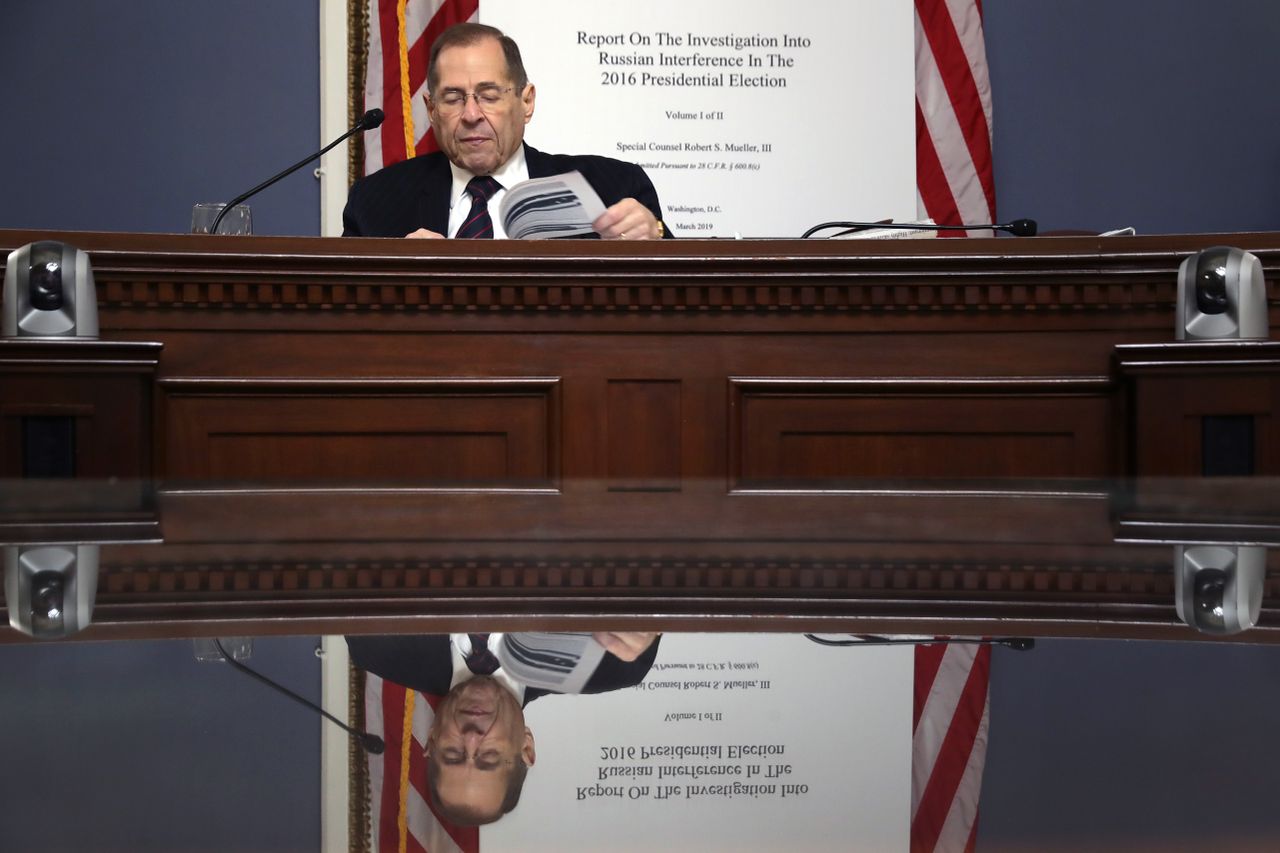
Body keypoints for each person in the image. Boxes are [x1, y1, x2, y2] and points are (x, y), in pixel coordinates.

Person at [343, 22, 669, 241]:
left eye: (489, 95)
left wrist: (654, 236)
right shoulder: (375, 205)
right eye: (453, 98)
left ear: (526, 102)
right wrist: (394, 273)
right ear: (431, 111)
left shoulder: (612, 187)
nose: (471, 115)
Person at [347, 631, 660, 826]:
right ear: (526, 746)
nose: (471, 737)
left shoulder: (377, 645)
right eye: (489, 757)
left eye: (454, 753)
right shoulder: (613, 662)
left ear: (431, 739)